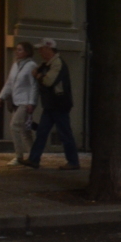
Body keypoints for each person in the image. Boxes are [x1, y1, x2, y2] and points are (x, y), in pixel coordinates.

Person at [24, 38, 80, 169]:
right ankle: (34, 159)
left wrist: (38, 76)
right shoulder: (47, 64)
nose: (39, 52)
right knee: (42, 132)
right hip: (51, 104)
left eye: (41, 49)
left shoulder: (57, 63)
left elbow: (48, 81)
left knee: (64, 133)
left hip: (59, 104)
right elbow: (38, 73)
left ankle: (73, 162)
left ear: (48, 49)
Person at [0, 41, 37, 165]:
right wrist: (1, 97)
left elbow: (33, 86)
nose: (17, 52)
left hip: (25, 101)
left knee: (14, 126)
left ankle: (19, 156)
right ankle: (34, 156)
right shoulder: (15, 65)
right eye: (16, 49)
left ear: (27, 52)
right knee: (25, 130)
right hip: (16, 101)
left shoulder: (31, 65)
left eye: (20, 50)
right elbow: (9, 83)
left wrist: (31, 102)